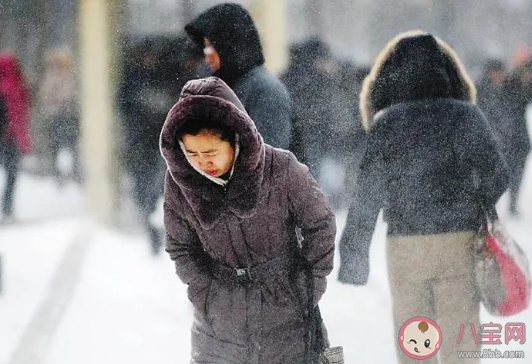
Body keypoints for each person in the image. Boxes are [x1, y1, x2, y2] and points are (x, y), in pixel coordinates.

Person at [337, 31, 508, 363]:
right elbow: (498, 176)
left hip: (406, 246)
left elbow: (366, 195)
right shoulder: (465, 116)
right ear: (446, 72)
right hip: (458, 243)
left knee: (416, 342)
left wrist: (354, 256)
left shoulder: (386, 124)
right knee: (462, 341)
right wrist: (471, 203)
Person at [159, 77, 336, 363]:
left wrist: (307, 287)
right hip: (218, 324)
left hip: (286, 314)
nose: (202, 163)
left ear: (235, 137)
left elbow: (320, 225)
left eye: (211, 152)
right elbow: (180, 246)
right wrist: (205, 294)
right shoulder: (180, 182)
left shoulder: (281, 168)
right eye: (191, 153)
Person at [184, 2, 292, 149]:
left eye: (211, 48)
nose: (207, 57)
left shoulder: (265, 91)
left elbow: (267, 158)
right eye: (205, 48)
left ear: (227, 47)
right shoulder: (213, 87)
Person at [0, 51, 31, 224]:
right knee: (11, 175)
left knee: (10, 175)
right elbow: (20, 114)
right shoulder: (16, 86)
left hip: (7, 138)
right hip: (11, 138)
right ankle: (7, 209)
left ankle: (7, 209)